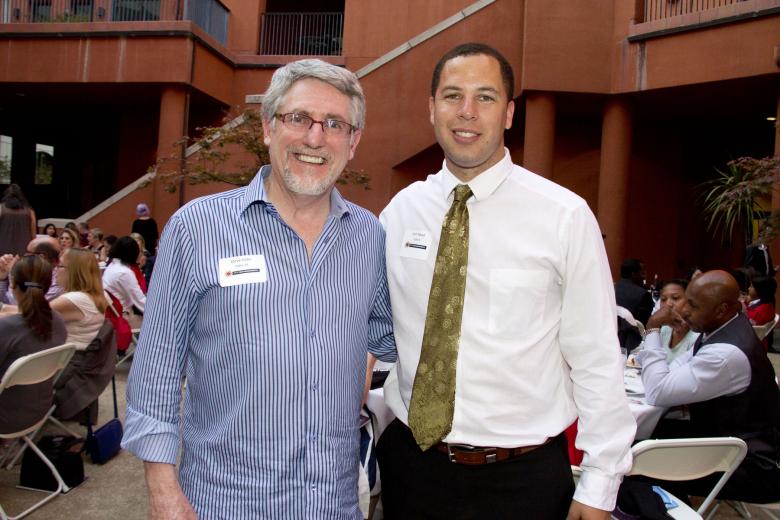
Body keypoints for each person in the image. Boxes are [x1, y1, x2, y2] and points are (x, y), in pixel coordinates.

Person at [122, 58, 395, 519]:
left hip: (332, 502)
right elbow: (157, 371)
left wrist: (349, 368)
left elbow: (382, 330)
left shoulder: (369, 236)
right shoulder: (197, 228)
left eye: (334, 123)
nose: (315, 137)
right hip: (223, 502)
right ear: (269, 127)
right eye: (298, 119)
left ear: (353, 142)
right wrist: (163, 490)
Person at [378, 43, 634, 519]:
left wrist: (600, 483)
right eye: (452, 96)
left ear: (510, 112)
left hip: (523, 480)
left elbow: (597, 358)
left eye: (486, 97)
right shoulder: (399, 213)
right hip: (412, 468)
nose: (467, 112)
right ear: (431, 108)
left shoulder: (563, 215)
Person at [638, 270, 780, 503]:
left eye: (693, 306)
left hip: (753, 466)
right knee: (649, 436)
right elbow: (673, 373)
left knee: (639, 461)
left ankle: (663, 507)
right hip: (728, 441)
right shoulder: (723, 327)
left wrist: (653, 328)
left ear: (721, 309)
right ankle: (671, 504)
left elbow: (658, 392)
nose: (683, 311)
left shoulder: (726, 354)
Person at [0, 254, 67, 434]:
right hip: (40, 410)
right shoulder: (58, 321)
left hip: (6, 419)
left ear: (13, 286)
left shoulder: (7, 328)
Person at [49, 248, 108, 351]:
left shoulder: (74, 299)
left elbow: (25, 315)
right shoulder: (90, 295)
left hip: (69, 362)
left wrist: (13, 277)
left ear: (73, 271)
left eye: (60, 265)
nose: (55, 269)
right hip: (82, 360)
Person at [0, 236, 64, 304]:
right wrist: (2, 278)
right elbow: (4, 301)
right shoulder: (31, 270)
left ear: (41, 257)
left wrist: (13, 273)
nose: (25, 255)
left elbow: (23, 307)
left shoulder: (58, 281)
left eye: (28, 252)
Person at [651, 279, 699, 363]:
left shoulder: (696, 336)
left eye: (675, 298)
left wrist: (652, 325)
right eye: (663, 299)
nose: (668, 304)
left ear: (689, 301)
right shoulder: (665, 329)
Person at [102, 236, 146, 323]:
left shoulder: (112, 265)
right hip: (122, 316)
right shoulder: (124, 272)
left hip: (111, 313)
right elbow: (140, 301)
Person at [615, 258, 654, 325]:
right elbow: (646, 323)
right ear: (633, 274)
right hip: (633, 333)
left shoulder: (612, 289)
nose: (643, 277)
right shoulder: (644, 295)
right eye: (641, 273)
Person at [0, 183, 36, 257]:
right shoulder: (30, 211)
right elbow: (33, 235)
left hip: (3, 251)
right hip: (24, 252)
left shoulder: (0, 208)